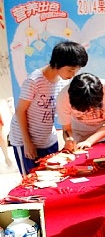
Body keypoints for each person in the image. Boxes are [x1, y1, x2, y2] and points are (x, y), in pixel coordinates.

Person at [9, 41, 87, 175]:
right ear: (57, 63)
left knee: (53, 176)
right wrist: (27, 143)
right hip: (25, 140)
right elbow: (20, 111)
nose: (73, 74)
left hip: (48, 138)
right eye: (70, 70)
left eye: (76, 70)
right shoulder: (34, 81)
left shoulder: (64, 81)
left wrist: (68, 137)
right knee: (32, 180)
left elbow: (65, 111)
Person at [57, 73, 105, 150]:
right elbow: (67, 129)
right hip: (78, 138)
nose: (88, 113)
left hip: (103, 136)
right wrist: (69, 140)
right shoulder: (63, 97)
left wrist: (89, 141)